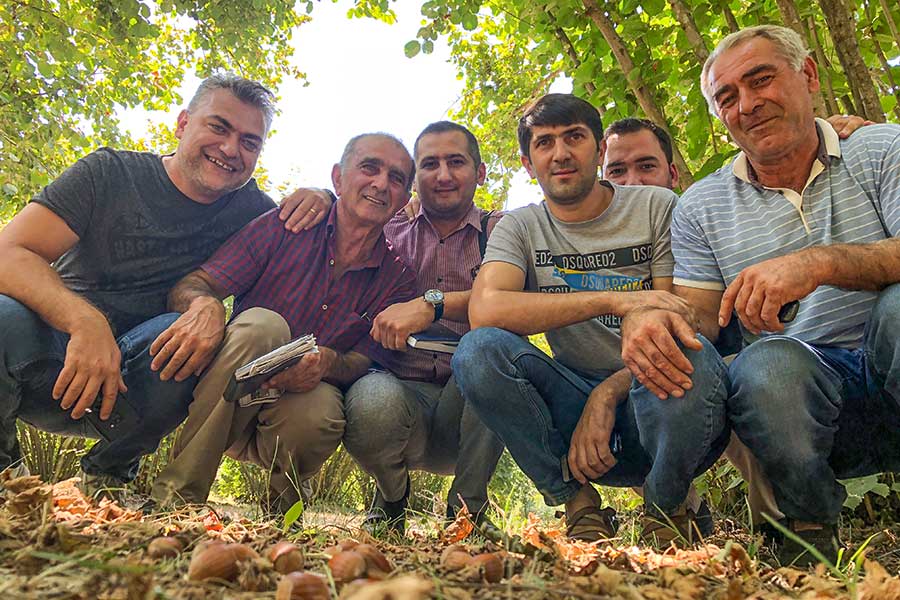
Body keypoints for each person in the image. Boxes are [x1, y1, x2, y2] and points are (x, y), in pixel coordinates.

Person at [619, 24, 900, 565]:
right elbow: (698, 319)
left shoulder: (882, 149)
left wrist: (819, 264)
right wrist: (647, 318)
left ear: (809, 75)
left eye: (761, 80)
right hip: (799, 406)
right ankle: (808, 533)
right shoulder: (702, 206)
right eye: (727, 98)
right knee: (766, 362)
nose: (748, 104)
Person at [0, 74, 328, 497]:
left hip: (140, 382)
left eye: (250, 142)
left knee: (199, 330)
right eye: (219, 127)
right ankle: (7, 478)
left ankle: (108, 475)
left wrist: (324, 195)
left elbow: (340, 237)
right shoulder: (109, 173)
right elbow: (11, 252)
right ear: (182, 122)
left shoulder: (255, 214)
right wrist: (85, 322)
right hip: (52, 361)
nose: (231, 149)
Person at [452, 93, 730, 545]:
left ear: (599, 151)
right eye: (544, 143)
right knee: (479, 351)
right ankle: (578, 503)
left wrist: (608, 391)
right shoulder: (521, 227)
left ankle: (666, 507)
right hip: (573, 408)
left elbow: (682, 321)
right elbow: (486, 310)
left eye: (574, 138)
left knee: (692, 353)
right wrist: (613, 302)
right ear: (528, 163)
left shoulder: (655, 206)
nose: (560, 154)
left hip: (661, 399)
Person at [150, 133, 417, 513]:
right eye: (369, 168)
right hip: (224, 391)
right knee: (263, 325)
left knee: (321, 411)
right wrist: (204, 305)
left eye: (396, 179)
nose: (380, 184)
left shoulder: (397, 278)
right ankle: (176, 499)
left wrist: (328, 362)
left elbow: (366, 359)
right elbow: (197, 283)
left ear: (404, 199)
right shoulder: (286, 225)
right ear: (338, 178)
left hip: (291, 407)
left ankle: (280, 521)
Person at [284, 122, 505, 535]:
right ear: (415, 178)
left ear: (480, 173)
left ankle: (468, 514)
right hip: (400, 392)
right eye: (429, 164)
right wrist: (321, 195)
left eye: (456, 162)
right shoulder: (386, 230)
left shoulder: (504, 233)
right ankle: (390, 497)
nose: (442, 175)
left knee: (491, 353)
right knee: (371, 400)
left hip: (473, 406)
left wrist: (430, 307)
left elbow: (513, 307)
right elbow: (348, 209)